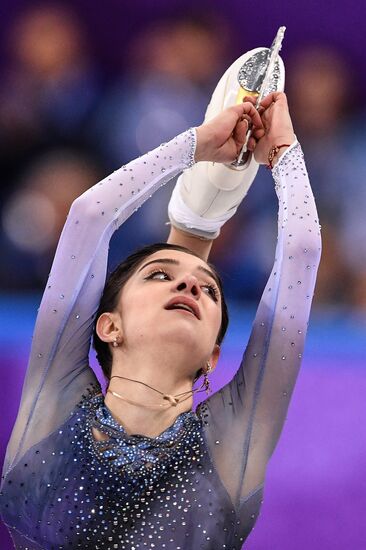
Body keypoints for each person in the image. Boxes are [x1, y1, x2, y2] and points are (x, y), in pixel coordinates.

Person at [0, 75, 321, 548]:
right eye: (159, 276)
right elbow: (89, 215)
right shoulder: (55, 404)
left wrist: (284, 150)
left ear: (213, 355)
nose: (191, 283)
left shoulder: (229, 442)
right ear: (109, 325)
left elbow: (302, 250)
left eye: (209, 291)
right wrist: (195, 145)